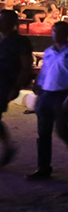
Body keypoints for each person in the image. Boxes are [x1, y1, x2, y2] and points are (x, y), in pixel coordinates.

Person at [28, 21, 68, 179]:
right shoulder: (49, 51)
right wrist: (38, 86)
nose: (56, 34)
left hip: (63, 93)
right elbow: (44, 71)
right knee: (43, 132)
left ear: (67, 33)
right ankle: (43, 167)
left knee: (62, 130)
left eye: (60, 31)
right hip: (47, 93)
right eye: (55, 31)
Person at [0, 10, 32, 166]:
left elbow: (26, 66)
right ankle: (7, 147)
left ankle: (8, 147)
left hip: (6, 82)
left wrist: (17, 86)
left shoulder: (19, 41)